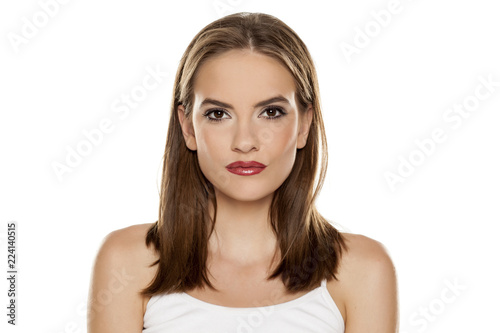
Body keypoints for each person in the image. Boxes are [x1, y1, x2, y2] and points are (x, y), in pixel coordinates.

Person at [87, 12, 398, 333]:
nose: (245, 142)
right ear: (187, 126)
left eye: (271, 112)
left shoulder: (362, 270)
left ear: (304, 124)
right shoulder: (127, 262)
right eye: (218, 113)